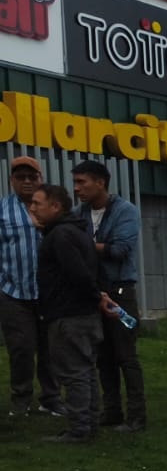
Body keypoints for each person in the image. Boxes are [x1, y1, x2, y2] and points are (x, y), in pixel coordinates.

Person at [72, 160, 145, 432]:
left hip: (120, 292)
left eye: (83, 182)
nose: (77, 188)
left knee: (126, 355)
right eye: (76, 182)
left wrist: (84, 246)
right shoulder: (79, 214)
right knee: (103, 356)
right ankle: (112, 410)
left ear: (100, 182)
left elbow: (121, 249)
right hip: (94, 291)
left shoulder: (125, 211)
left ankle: (137, 416)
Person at [30, 184, 103, 442]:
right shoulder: (76, 232)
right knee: (85, 371)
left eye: (37, 203)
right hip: (83, 315)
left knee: (74, 374)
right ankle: (88, 424)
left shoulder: (60, 236)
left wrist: (95, 297)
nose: (32, 207)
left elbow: (78, 274)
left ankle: (79, 430)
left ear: (56, 206)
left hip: (68, 317)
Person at [0, 155, 65, 418]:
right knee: (22, 348)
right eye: (20, 177)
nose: (26, 181)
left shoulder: (54, 208)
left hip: (49, 293)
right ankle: (21, 399)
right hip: (13, 292)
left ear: (40, 179)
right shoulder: (2, 209)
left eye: (32, 177)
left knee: (51, 348)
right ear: (11, 181)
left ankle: (51, 399)